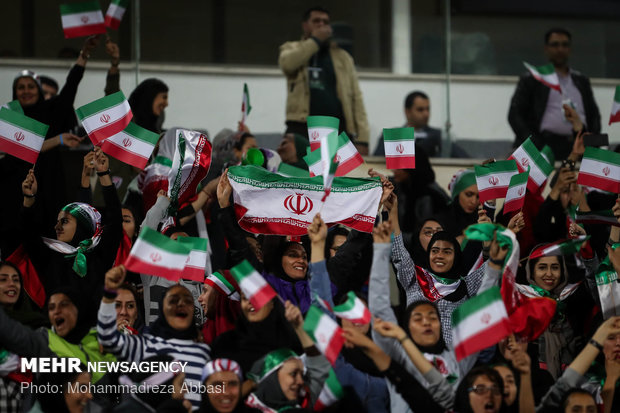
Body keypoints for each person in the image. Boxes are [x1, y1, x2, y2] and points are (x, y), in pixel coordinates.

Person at [20, 147, 123, 325]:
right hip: (57, 339)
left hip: (93, 337)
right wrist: (29, 199)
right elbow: (28, 233)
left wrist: (104, 174)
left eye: (65, 221)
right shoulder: (49, 256)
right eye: (58, 221)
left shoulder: (99, 254)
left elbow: (115, 221)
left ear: (82, 225)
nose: (56, 226)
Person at [98, 265, 211, 410]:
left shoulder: (204, 351)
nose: (181, 304)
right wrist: (109, 295)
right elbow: (107, 338)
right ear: (162, 309)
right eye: (173, 301)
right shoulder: (145, 344)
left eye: (188, 301)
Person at [278, 6, 370, 154]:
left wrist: (363, 138)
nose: (321, 25)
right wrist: (315, 41)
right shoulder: (292, 48)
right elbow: (288, 65)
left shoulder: (342, 57)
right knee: (302, 175)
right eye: (316, 21)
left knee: (340, 176)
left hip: (338, 129)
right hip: (302, 128)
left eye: (325, 22)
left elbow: (356, 98)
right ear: (305, 25)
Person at [508, 28, 601, 160]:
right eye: (555, 44)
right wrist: (534, 145)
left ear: (570, 49)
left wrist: (592, 146)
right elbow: (515, 115)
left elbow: (594, 116)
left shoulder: (581, 81)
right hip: (544, 146)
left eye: (564, 45)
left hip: (578, 145)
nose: (560, 49)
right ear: (546, 48)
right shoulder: (533, 79)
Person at [374, 91, 442, 157]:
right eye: (420, 109)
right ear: (407, 112)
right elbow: (377, 161)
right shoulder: (392, 137)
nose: (426, 114)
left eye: (428, 109)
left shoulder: (439, 136)